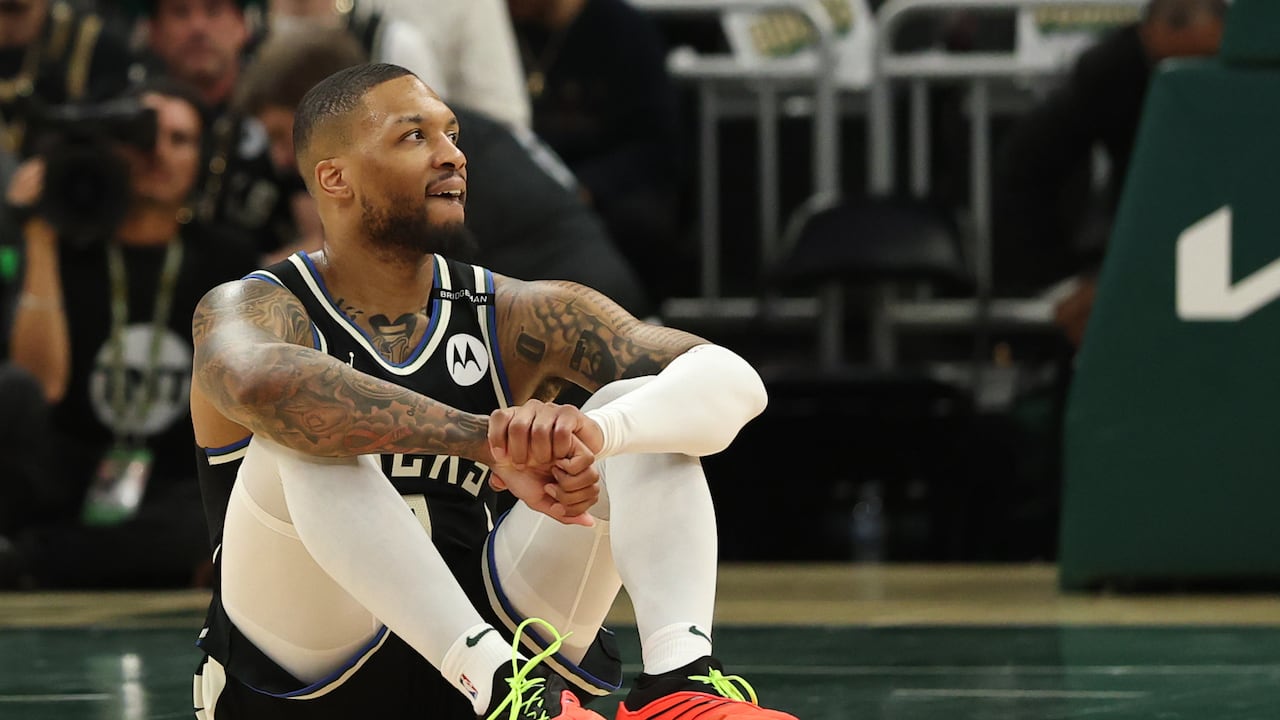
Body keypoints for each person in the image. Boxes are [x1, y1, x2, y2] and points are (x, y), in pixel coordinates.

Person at [189, 63, 793, 720]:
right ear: (336, 176)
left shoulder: (518, 313)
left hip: (494, 646)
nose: (452, 154)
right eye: (413, 137)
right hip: (307, 662)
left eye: (452, 134)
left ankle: (682, 685)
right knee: (301, 436)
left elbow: (733, 381)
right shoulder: (252, 306)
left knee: (643, 405)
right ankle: (501, 687)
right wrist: (488, 440)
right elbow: (261, 383)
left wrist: (593, 433)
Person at [0, 78, 259, 588]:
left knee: (213, 512)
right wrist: (40, 233)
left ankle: (33, 561)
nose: (156, 152)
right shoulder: (64, 249)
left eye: (179, 139)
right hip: (66, 471)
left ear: (203, 158)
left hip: (173, 480)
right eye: (139, 136)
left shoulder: (226, 256)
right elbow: (40, 383)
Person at [235, 28, 651, 315]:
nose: (280, 158)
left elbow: (371, 267)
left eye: (280, 135)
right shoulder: (450, 129)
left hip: (585, 322)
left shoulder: (431, 155)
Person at [993, 0, 1226, 340]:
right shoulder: (1111, 74)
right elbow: (1026, 167)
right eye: (1173, 67)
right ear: (1149, 35)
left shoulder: (1256, 80)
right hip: (1138, 261)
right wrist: (1059, 281)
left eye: (1203, 67)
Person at [507, 0, 686, 305]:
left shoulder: (624, 29)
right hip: (524, 185)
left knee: (641, 222)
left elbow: (657, 142)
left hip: (606, 191)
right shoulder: (501, 29)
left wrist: (587, 188)